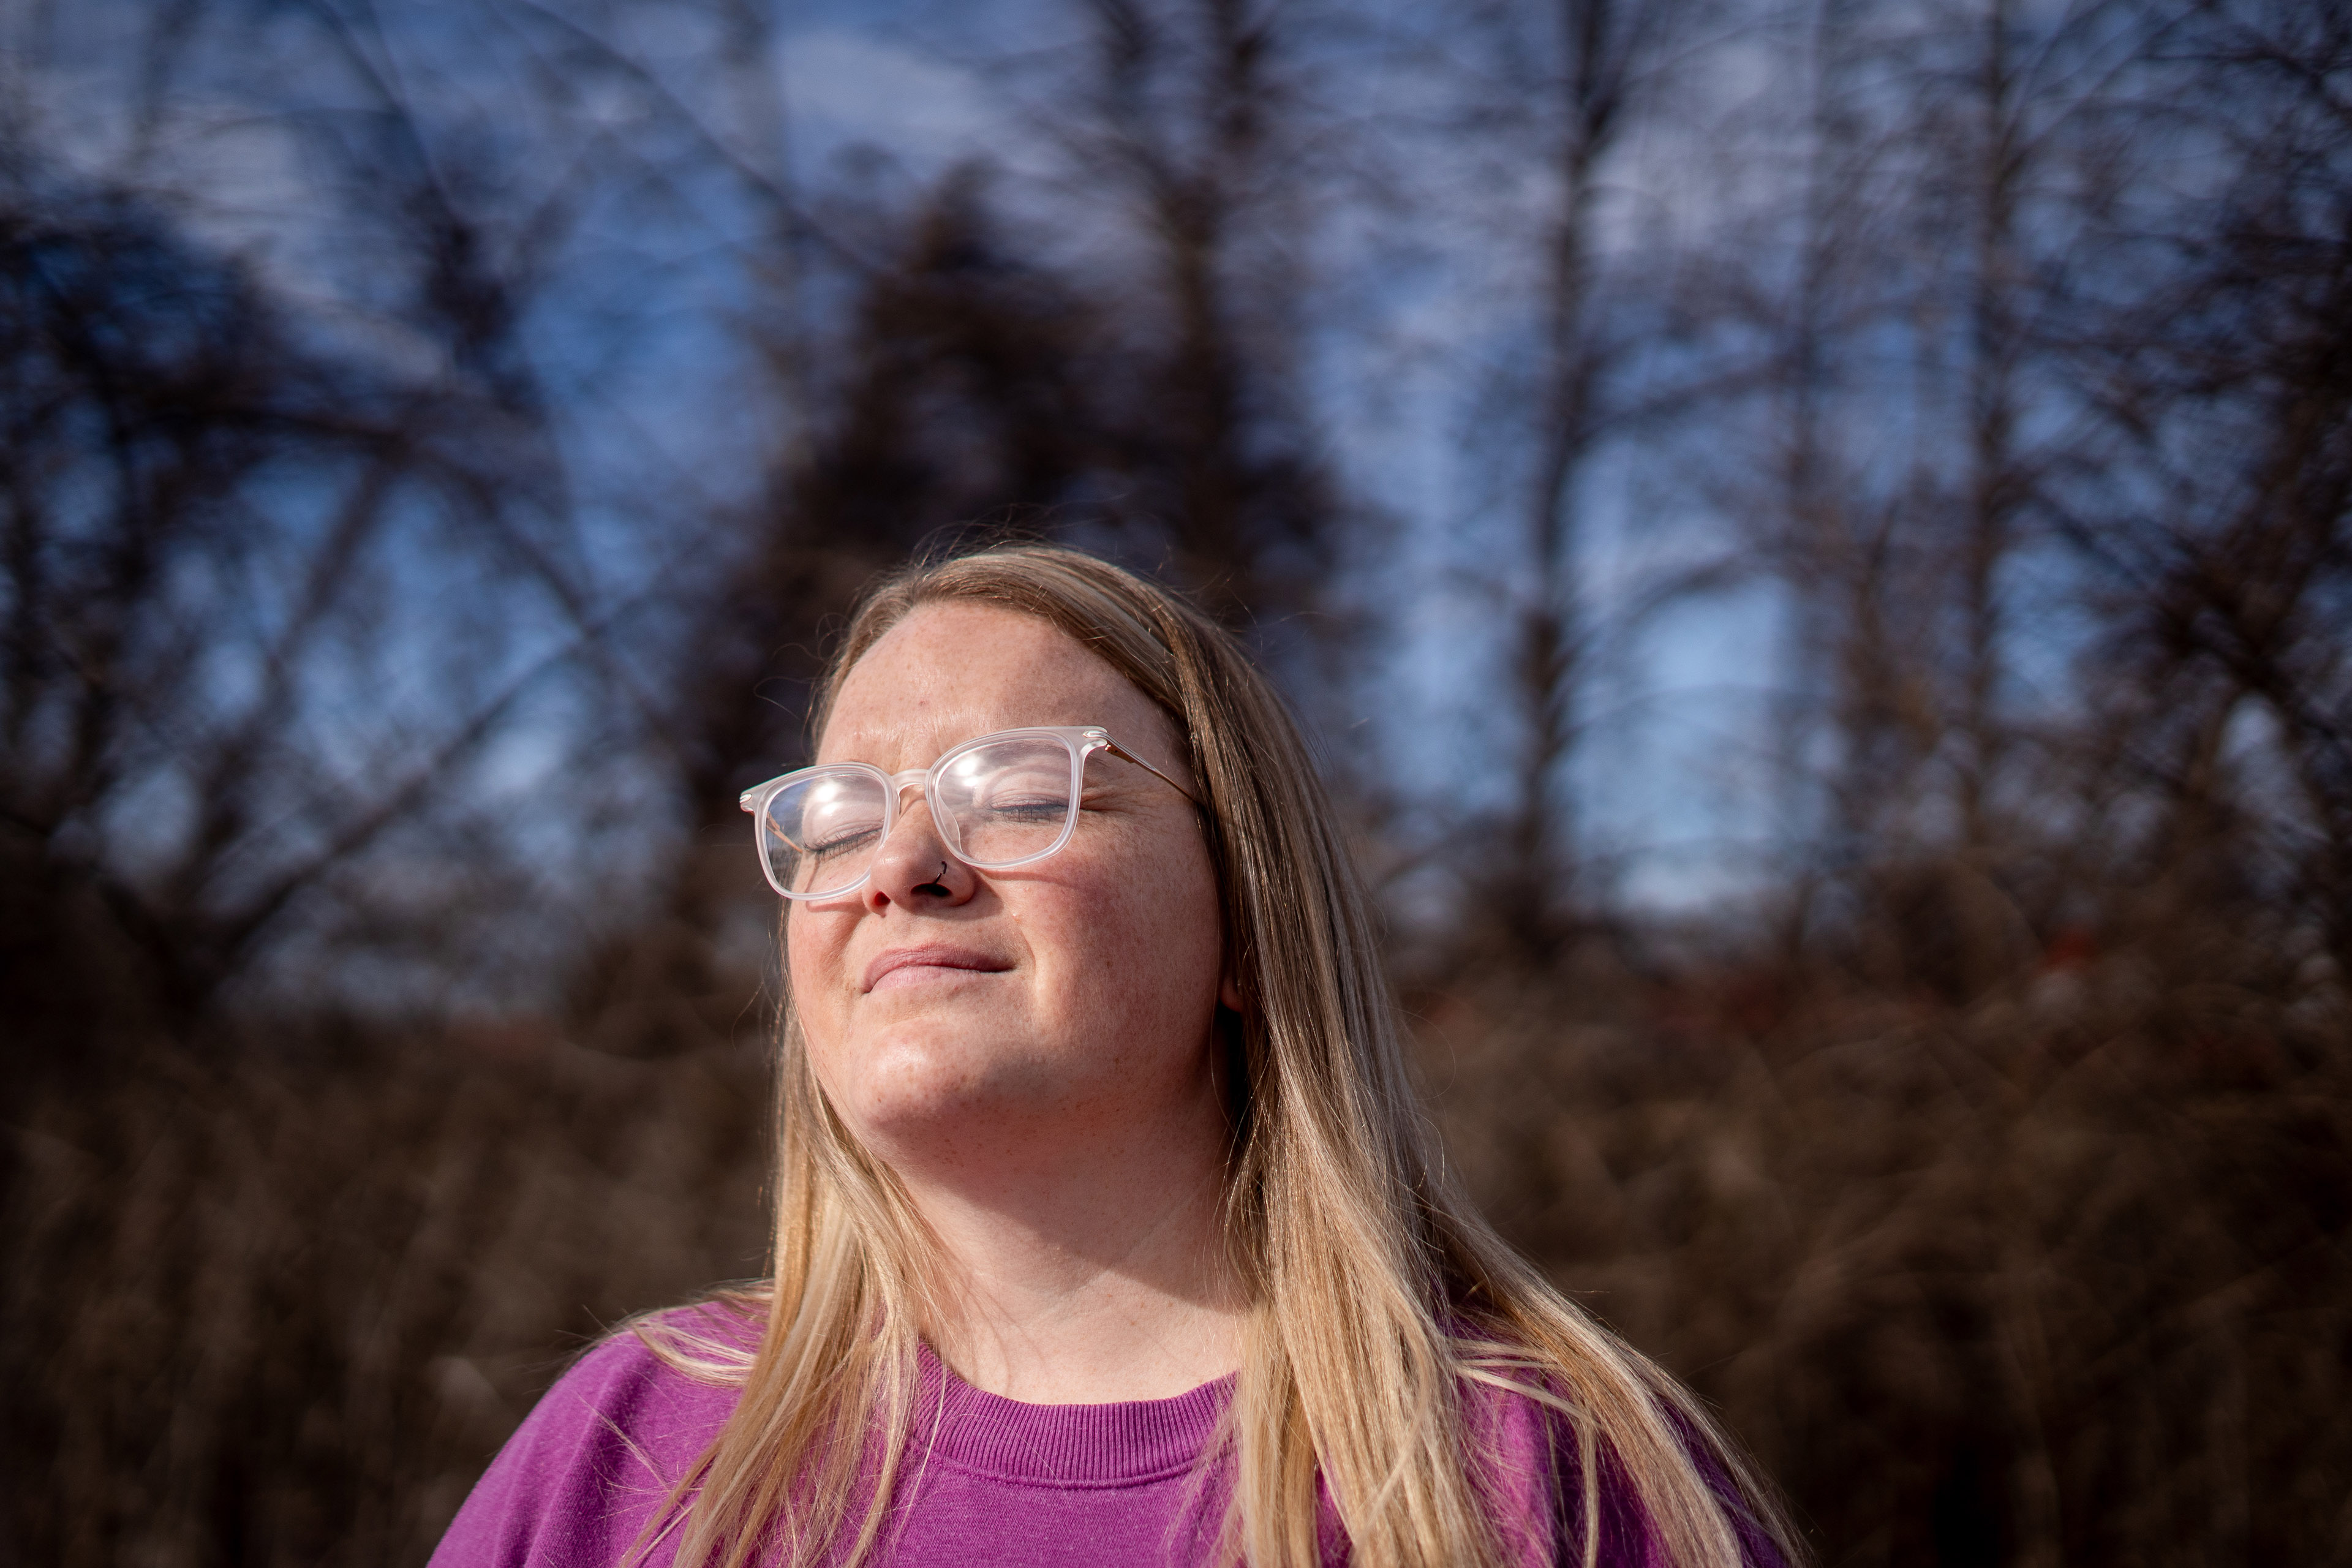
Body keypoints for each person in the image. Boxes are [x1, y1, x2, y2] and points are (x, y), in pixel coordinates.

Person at [431, 544, 1800, 1568]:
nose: (899, 867)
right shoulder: (635, 1446)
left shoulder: (1533, 1480)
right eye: (837, 822)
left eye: (1022, 791)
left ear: (1249, 923)